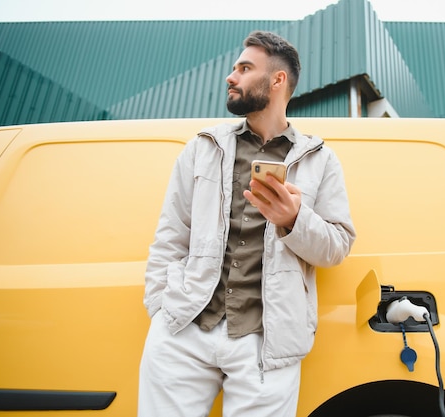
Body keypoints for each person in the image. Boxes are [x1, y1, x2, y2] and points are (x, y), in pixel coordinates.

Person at [138, 31, 356, 417]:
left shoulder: (321, 160)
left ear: (277, 80)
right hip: (184, 330)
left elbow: (337, 246)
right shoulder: (203, 147)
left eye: (244, 68)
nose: (230, 77)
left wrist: (294, 220)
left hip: (267, 346)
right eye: (234, 68)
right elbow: (171, 236)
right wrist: (161, 309)